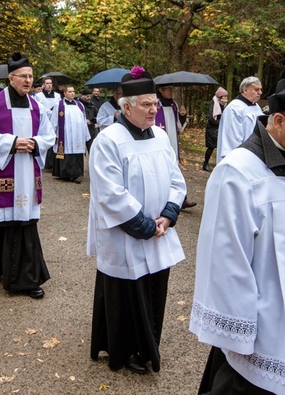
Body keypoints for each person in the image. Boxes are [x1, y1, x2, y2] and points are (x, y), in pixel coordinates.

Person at [191, 68, 285, 395]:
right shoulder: (238, 174)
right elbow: (226, 264)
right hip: (260, 329)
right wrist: (241, 332)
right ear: (278, 121)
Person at [88, 66, 187, 375]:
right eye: (147, 104)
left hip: (158, 230)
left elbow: (177, 180)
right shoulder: (109, 140)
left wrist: (168, 216)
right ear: (126, 107)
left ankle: (148, 344)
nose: (154, 109)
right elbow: (110, 193)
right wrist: (145, 226)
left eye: (155, 103)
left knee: (155, 288)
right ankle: (125, 349)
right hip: (126, 234)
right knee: (127, 292)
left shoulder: (159, 136)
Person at [0, 52, 56, 299]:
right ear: (11, 78)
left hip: (26, 174)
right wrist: (12, 143)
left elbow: (48, 136)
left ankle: (24, 280)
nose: (28, 81)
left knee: (22, 221)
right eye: (23, 76)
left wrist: (35, 143)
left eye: (31, 76)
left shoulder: (37, 106)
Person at [156, 83, 195, 209]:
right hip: (159, 144)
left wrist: (182, 116)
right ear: (161, 90)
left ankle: (181, 199)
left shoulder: (174, 105)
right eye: (168, 89)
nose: (171, 91)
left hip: (172, 142)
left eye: (172, 88)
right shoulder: (155, 105)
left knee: (175, 171)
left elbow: (179, 127)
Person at [217, 76, 264, 160]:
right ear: (245, 90)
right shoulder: (234, 108)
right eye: (256, 90)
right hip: (240, 158)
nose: (260, 92)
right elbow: (232, 140)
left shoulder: (256, 107)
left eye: (260, 89)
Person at [52, 85, 91, 183]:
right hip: (65, 135)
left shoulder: (80, 105)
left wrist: (86, 134)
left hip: (78, 134)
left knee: (77, 153)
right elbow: (54, 120)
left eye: (73, 91)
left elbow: (83, 120)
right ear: (64, 93)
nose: (72, 93)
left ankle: (76, 174)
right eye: (69, 91)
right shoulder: (59, 105)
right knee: (66, 152)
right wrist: (53, 134)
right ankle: (65, 173)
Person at [203, 87, 228, 171]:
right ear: (220, 97)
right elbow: (211, 118)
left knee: (221, 147)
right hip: (212, 130)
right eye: (224, 96)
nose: (226, 98)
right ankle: (205, 163)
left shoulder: (223, 105)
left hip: (219, 130)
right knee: (211, 147)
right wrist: (220, 123)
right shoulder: (214, 104)